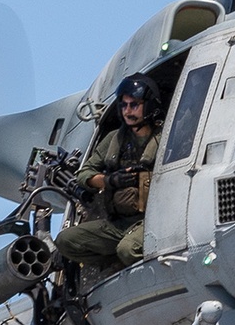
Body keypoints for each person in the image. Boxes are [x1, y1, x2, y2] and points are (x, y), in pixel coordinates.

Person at [54, 74, 161, 274]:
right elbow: (83, 174)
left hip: (152, 218)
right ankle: (113, 262)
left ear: (148, 105)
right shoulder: (114, 140)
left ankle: (133, 260)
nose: (128, 111)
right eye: (124, 105)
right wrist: (108, 180)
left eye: (134, 105)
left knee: (127, 249)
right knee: (66, 241)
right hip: (118, 223)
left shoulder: (163, 138)